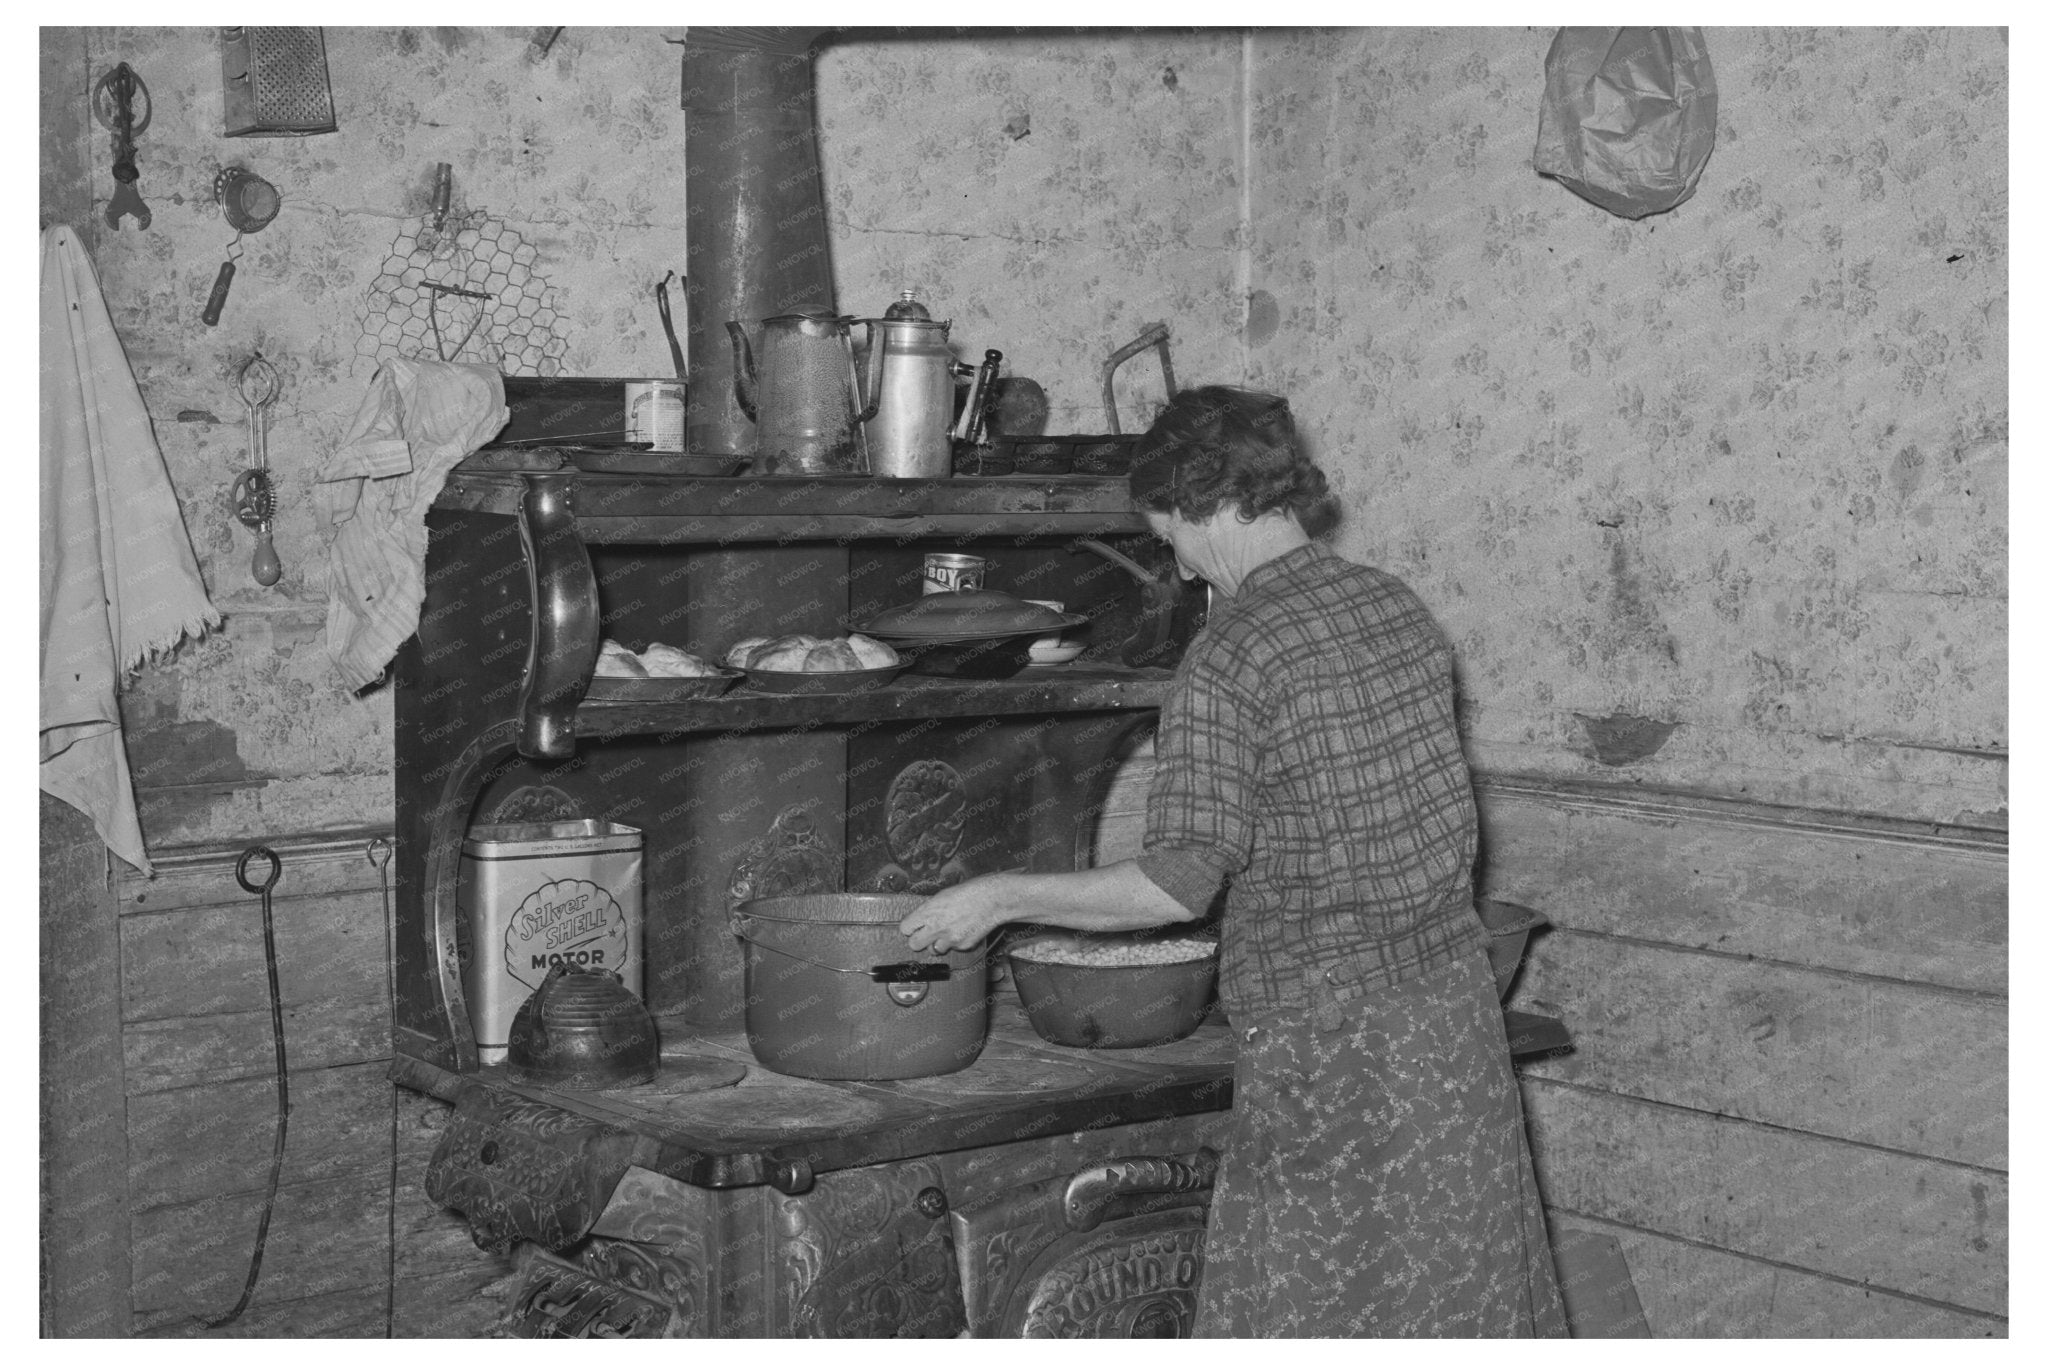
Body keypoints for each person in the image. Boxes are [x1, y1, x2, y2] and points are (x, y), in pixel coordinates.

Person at [898, 385, 1568, 1338]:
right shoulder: (1394, 604)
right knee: (1459, 1306)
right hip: (1451, 1028)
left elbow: (1174, 885)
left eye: (1166, 530)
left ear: (1206, 505)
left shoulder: (1232, 654)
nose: (1171, 556)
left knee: (1311, 1315)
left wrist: (998, 893)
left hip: (1334, 1051)